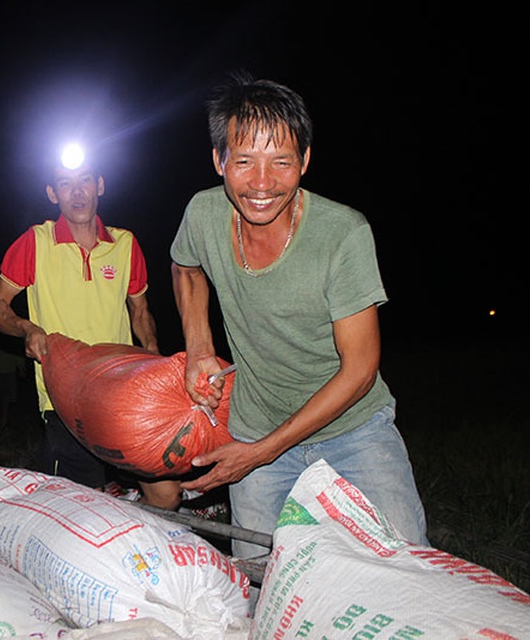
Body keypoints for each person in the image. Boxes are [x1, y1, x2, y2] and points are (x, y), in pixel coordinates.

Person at [170, 71, 429, 558]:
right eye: (244, 161)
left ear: (305, 161)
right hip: (256, 424)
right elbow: (185, 268)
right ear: (218, 160)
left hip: (354, 430)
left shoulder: (343, 234)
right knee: (265, 578)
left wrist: (260, 453)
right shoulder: (203, 215)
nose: (262, 183)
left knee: (408, 564)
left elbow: (360, 369)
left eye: (281, 162)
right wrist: (199, 347)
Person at [0, 145, 184, 510]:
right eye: (65, 183)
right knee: (83, 506)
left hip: (124, 390)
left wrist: (156, 361)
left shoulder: (125, 245)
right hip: (66, 394)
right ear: (52, 193)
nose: (77, 191)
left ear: (100, 186)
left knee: (167, 494)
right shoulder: (36, 242)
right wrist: (26, 328)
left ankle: (141, 556)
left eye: (85, 180)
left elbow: (140, 311)